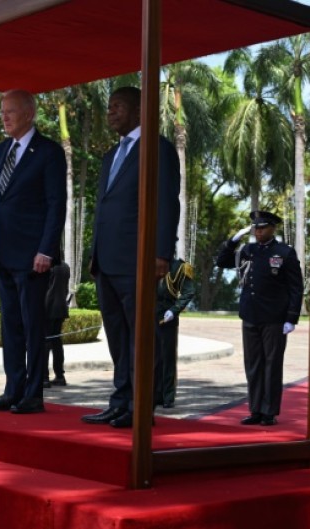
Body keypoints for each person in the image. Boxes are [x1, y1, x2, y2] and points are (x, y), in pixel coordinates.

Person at [81, 86, 181, 429]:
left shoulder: (158, 148)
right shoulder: (111, 155)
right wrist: (94, 253)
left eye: (117, 106)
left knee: (141, 335)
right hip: (107, 262)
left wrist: (161, 253)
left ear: (139, 109)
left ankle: (142, 405)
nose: (110, 112)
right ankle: (120, 400)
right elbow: (104, 208)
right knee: (118, 336)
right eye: (109, 106)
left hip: (138, 259)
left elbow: (167, 202)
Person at [0, 89, 67, 414]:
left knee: (34, 328)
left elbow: (55, 204)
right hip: (3, 255)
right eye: (2, 111)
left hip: (34, 258)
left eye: (11, 111)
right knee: (11, 328)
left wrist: (46, 249)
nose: (4, 117)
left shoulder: (48, 152)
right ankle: (12, 389)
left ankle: (33, 394)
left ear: (29, 114)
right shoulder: (1, 150)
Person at [215, 211, 303, 426]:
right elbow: (222, 261)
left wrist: (291, 317)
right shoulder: (248, 250)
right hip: (250, 314)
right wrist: (233, 241)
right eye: (255, 228)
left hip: (274, 317)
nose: (258, 231)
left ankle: (269, 411)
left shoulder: (285, 252)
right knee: (253, 364)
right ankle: (255, 409)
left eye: (262, 227)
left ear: (273, 228)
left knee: (272, 364)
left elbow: (295, 287)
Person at [154, 257, 196, 409]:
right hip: (148, 314)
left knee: (167, 357)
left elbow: (188, 292)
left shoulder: (179, 267)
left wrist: (174, 310)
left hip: (166, 317)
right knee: (151, 357)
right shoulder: (145, 260)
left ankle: (167, 396)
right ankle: (153, 393)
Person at [43, 260, 71, 388]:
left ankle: (44, 377)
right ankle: (60, 375)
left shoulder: (48, 266)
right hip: (60, 308)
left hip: (47, 308)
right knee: (56, 342)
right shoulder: (65, 266)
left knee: (45, 342)